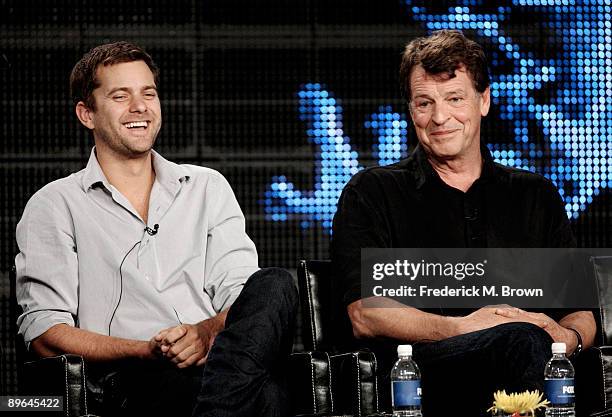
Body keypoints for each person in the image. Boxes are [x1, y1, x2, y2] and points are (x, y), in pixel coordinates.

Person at [15, 41, 298, 417]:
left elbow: (241, 299)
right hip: (136, 377)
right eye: (120, 96)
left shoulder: (206, 186)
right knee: (269, 395)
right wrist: (146, 348)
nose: (140, 107)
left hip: (216, 363)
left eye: (148, 93)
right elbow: (45, 332)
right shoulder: (55, 204)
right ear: (87, 114)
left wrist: (205, 332)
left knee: (274, 283)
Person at [330, 30, 596, 416]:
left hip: (531, 356)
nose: (439, 117)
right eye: (425, 103)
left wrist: (565, 338)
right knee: (517, 339)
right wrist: (464, 328)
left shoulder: (535, 195)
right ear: (411, 110)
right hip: (421, 374)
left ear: (484, 101)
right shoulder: (373, 191)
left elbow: (581, 313)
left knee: (526, 342)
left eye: (454, 99)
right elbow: (365, 314)